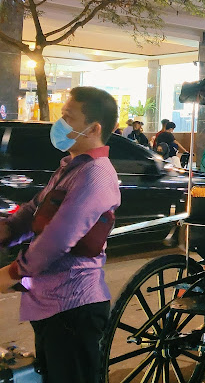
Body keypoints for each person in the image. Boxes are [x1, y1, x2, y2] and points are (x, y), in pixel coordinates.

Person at [0, 86, 121, 383]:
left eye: (68, 117)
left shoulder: (97, 174)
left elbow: (59, 236)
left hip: (74, 307)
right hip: (49, 302)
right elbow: (34, 209)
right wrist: (7, 231)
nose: (60, 123)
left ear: (94, 129)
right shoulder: (71, 166)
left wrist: (14, 272)